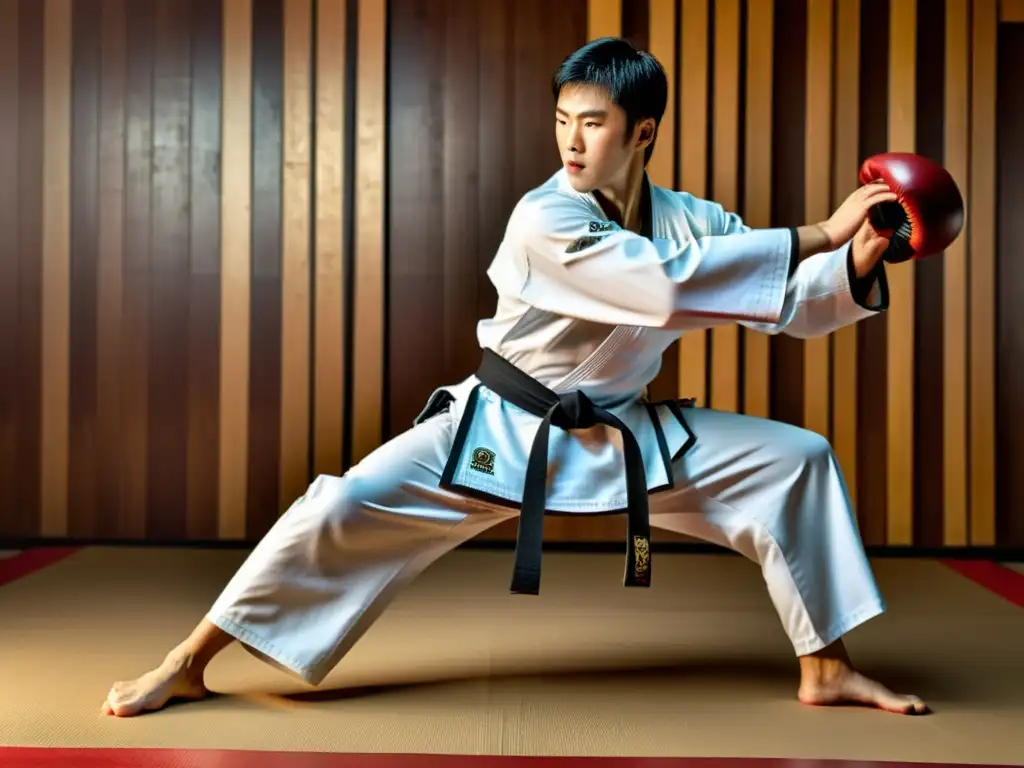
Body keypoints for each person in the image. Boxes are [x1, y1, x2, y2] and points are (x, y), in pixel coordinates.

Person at [102, 37, 928, 718]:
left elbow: (779, 296)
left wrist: (859, 254)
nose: (572, 142)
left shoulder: (692, 219)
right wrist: (822, 227)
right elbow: (665, 284)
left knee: (797, 458)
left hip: (621, 430)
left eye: (594, 124)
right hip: (504, 426)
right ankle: (187, 661)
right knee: (341, 504)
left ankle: (825, 666)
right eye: (563, 120)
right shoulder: (545, 215)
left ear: (642, 133)